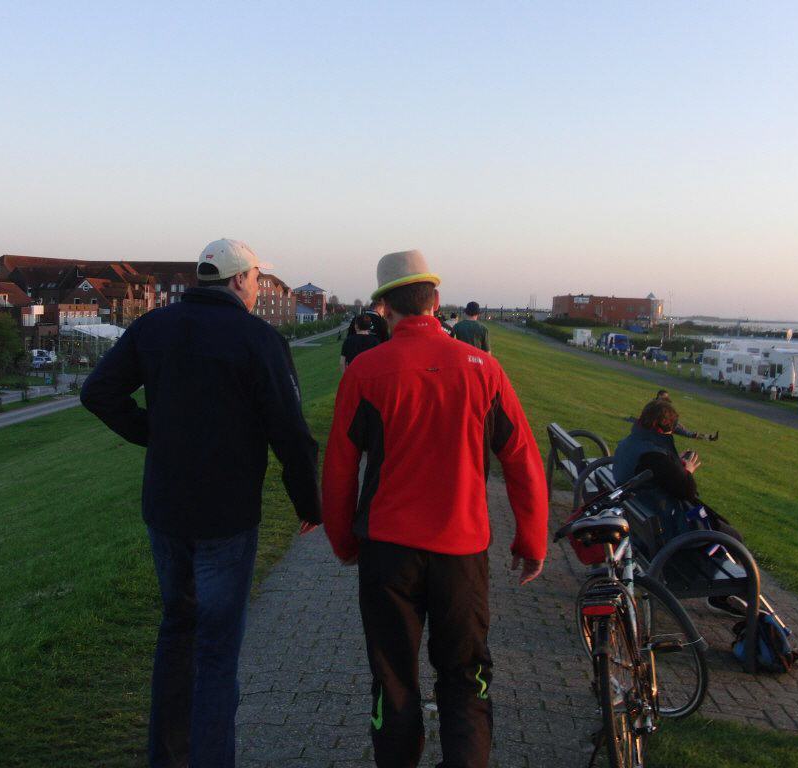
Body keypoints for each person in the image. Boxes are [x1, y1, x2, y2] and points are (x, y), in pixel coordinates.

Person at [80, 238, 322, 768]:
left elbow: (97, 392)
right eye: (255, 279)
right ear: (239, 280)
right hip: (226, 516)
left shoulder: (153, 327)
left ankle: (166, 757)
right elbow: (290, 432)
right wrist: (309, 502)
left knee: (177, 632)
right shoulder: (258, 338)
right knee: (215, 651)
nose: (256, 289)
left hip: (166, 509)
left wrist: (153, 433)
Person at [323, 250, 549, 768]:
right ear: (436, 299)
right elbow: (522, 459)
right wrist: (531, 540)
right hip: (461, 551)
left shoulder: (366, 371)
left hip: (388, 553)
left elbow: (338, 468)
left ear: (384, 306)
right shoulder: (484, 369)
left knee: (394, 679)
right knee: (466, 677)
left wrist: (343, 541)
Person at [612, 397, 743, 615]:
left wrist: (674, 465)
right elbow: (686, 491)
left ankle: (721, 592)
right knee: (733, 538)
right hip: (668, 534)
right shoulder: (654, 455)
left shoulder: (631, 442)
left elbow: (659, 477)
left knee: (722, 530)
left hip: (641, 523)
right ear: (665, 428)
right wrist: (687, 471)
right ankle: (720, 595)